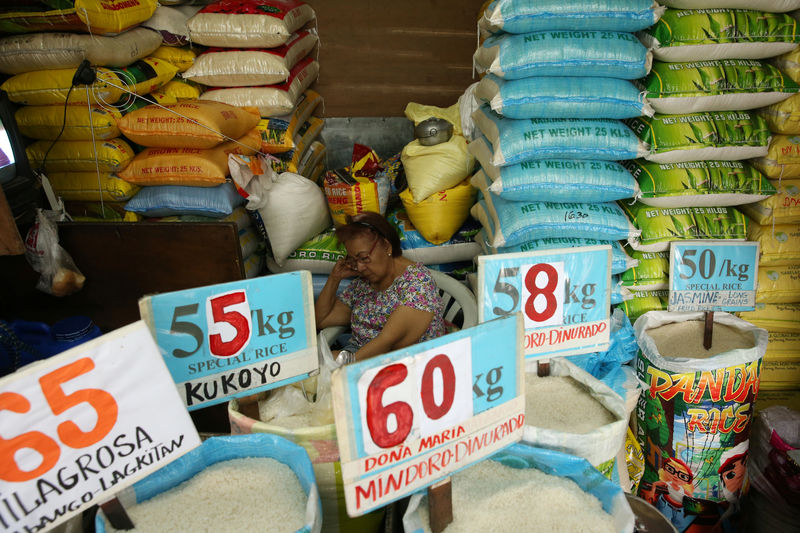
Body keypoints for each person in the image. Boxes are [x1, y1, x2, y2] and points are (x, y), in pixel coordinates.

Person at [315, 211, 445, 364]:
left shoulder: (417, 286)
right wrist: (334, 278)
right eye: (353, 259)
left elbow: (386, 343)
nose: (360, 267)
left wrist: (336, 361)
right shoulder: (364, 283)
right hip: (358, 358)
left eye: (364, 258)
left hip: (401, 365)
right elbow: (321, 320)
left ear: (387, 246)